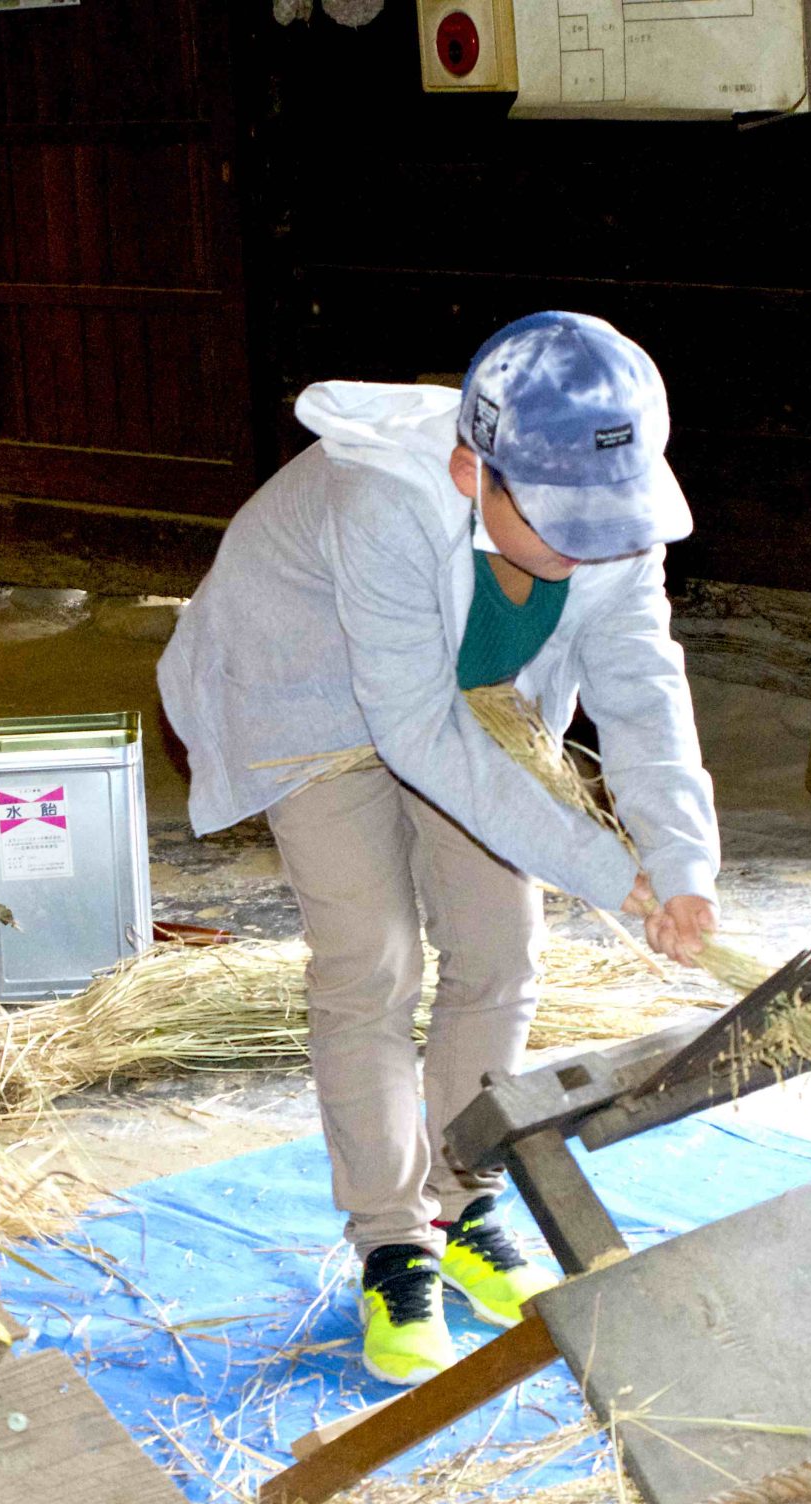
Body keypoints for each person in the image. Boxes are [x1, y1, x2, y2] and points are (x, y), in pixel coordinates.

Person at [157, 312, 722, 1387]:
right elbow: (413, 733)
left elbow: (642, 692)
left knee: (500, 948)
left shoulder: (610, 519)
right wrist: (609, 873)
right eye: (556, 521)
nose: (584, 546)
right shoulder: (383, 501)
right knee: (371, 960)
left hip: (471, 704)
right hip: (312, 699)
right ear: (474, 470)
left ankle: (465, 1202)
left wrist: (679, 861)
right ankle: (390, 1242)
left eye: (605, 521)